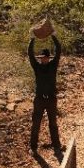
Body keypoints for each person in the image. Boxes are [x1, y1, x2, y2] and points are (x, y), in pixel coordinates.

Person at [28, 27, 63, 157]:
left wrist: (54, 36)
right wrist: (32, 39)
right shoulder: (36, 67)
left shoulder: (53, 66)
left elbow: (58, 51)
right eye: (42, 57)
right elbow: (30, 55)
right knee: (36, 123)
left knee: (53, 123)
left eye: (45, 57)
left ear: (48, 58)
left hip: (51, 99)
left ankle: (57, 146)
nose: (43, 59)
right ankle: (33, 147)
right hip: (39, 99)